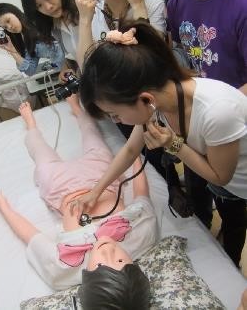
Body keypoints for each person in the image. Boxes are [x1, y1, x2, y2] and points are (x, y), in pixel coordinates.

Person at [74, 21, 247, 271]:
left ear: (145, 99)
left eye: (115, 115)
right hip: (228, 183)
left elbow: (219, 176)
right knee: (229, 210)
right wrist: (96, 191)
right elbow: (131, 149)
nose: (118, 121)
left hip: (235, 180)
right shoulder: (158, 103)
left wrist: (174, 144)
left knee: (234, 219)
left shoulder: (216, 112)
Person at [143, 0, 247, 267]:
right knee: (216, 202)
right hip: (201, 131)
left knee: (235, 205)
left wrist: (212, 113)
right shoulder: (178, 1)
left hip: (233, 131)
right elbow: (185, 63)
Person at [0, 95, 158, 294]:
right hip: (102, 175)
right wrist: (134, 160)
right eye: (121, 260)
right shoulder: (144, 235)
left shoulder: (62, 270)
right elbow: (142, 195)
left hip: (60, 188)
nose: (108, 251)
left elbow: (32, 236)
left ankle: (30, 124)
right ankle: (76, 108)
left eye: (100, 265)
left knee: (39, 152)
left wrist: (5, 209)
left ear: (87, 280)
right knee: (92, 134)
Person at [75, 0, 179, 187]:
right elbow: (88, 68)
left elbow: (152, 62)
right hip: (120, 102)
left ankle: (176, 187)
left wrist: (139, 6)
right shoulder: (95, 9)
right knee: (145, 157)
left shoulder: (151, 3)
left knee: (165, 154)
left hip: (152, 100)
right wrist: (85, 21)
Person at [19, 0, 79, 79]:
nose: (48, 7)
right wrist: (65, 70)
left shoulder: (85, 7)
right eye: (39, 6)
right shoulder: (54, 26)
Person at [0, 3, 65, 76]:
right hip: (65, 70)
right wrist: (13, 51)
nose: (9, 27)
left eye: (8, 21)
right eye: (5, 27)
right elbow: (30, 71)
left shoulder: (38, 19)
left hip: (71, 60)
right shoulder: (26, 40)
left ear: (15, 13)